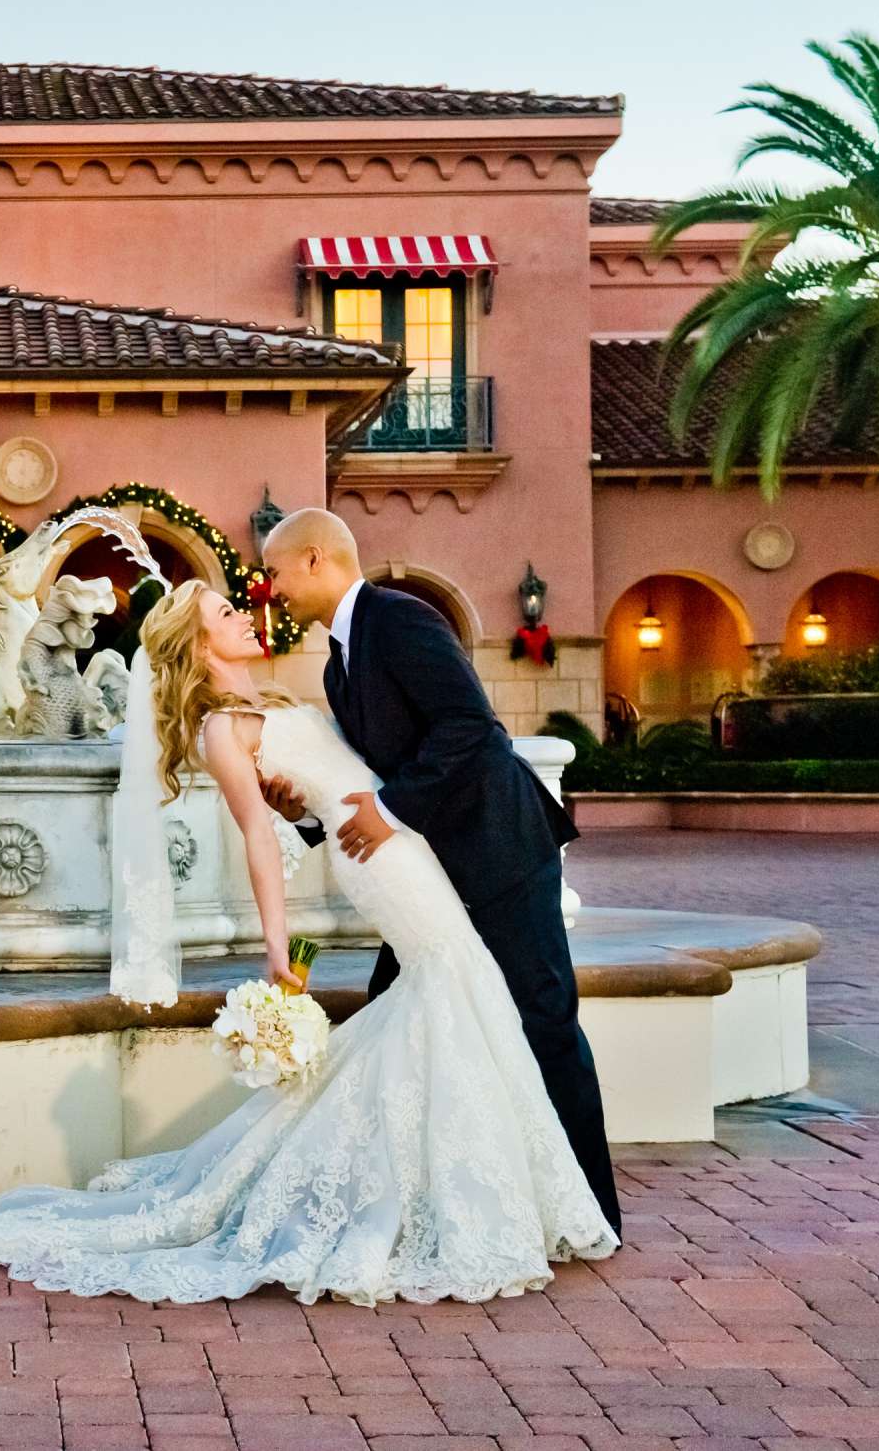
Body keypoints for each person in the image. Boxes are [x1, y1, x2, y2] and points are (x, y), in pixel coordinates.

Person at [0, 580, 618, 1306]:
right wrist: (279, 950)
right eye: (224, 616)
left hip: (404, 842)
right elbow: (259, 835)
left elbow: (344, 776)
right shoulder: (224, 729)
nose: (243, 616)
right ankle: (468, 1195)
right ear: (197, 646)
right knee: (454, 983)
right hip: (379, 860)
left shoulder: (282, 701)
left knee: (449, 995)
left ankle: (451, 1181)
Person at [258, 508, 621, 1237]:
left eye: (275, 572)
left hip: (500, 854)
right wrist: (300, 810)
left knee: (544, 1020)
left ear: (317, 558)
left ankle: (590, 1209)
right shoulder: (338, 664)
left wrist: (390, 809)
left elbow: (473, 730)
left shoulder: (400, 619)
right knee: (398, 1016)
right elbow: (359, 776)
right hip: (429, 877)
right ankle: (416, 1207)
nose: (271, 591)